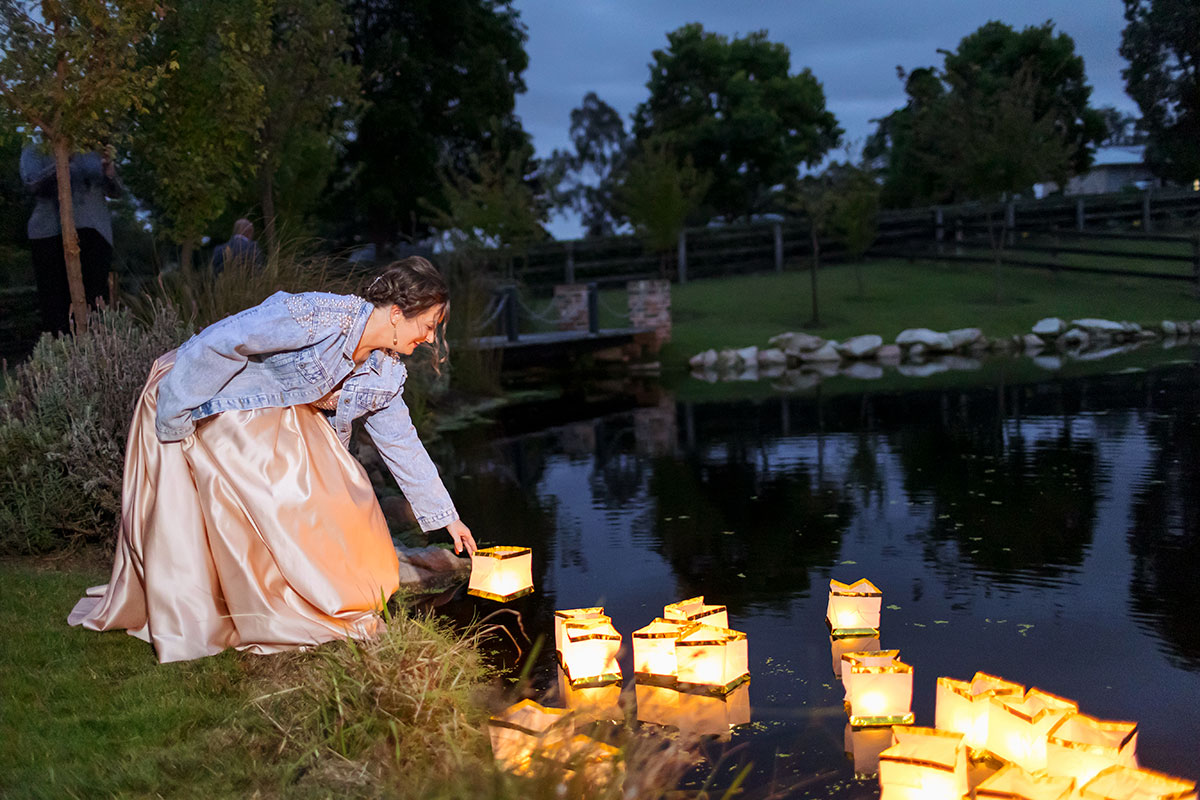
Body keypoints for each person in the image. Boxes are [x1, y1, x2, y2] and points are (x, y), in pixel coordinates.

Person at [69, 256, 477, 663]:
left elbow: (402, 442)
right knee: (285, 493)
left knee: (349, 501)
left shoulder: (384, 372)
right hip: (212, 394)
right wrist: (175, 409)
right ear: (397, 313)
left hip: (278, 415)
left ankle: (332, 593)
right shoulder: (319, 316)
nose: (427, 338)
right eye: (427, 325)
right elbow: (223, 340)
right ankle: (266, 602)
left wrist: (447, 518)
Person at [20, 143, 122, 333]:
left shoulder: (94, 147)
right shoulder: (35, 145)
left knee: (94, 299)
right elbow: (31, 184)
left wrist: (109, 172)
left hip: (94, 229)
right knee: (55, 304)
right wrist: (62, 162)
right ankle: (61, 355)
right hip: (49, 232)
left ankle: (95, 354)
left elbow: (116, 191)